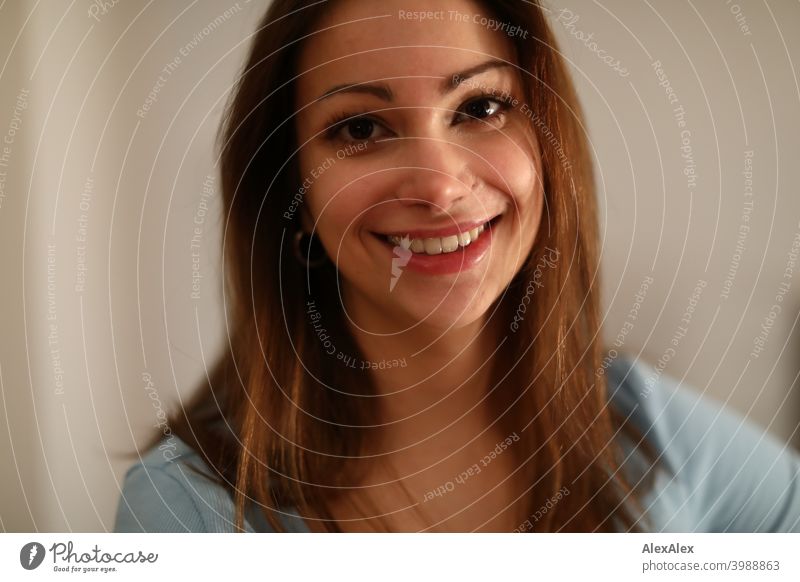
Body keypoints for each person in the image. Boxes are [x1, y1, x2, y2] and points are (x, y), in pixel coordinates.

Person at [114, 0, 800, 533]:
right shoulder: (187, 510)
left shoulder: (640, 420)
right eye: (360, 128)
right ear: (288, 186)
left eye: (481, 107)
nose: (440, 189)